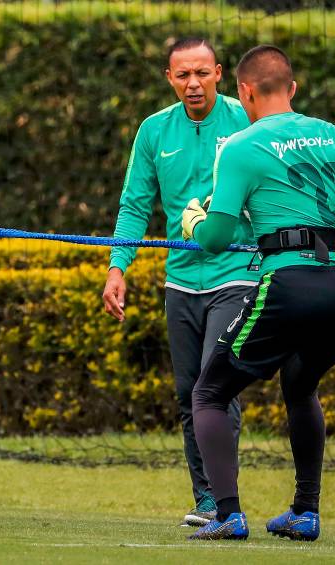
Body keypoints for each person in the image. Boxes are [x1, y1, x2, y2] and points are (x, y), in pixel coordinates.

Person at [182, 45, 335, 541]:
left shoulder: (240, 146)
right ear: (292, 89)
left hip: (288, 285)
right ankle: (304, 511)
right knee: (299, 384)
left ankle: (227, 515)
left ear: (244, 92)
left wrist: (194, 222)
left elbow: (217, 238)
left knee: (208, 393)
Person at [102, 37, 259, 526]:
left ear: (219, 73)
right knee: (190, 392)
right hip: (181, 282)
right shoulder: (154, 131)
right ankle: (207, 500)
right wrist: (117, 267)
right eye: (183, 75)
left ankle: (225, 500)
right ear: (169, 78)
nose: (193, 83)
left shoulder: (247, 120)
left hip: (238, 274)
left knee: (215, 385)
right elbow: (134, 206)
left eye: (202, 73)